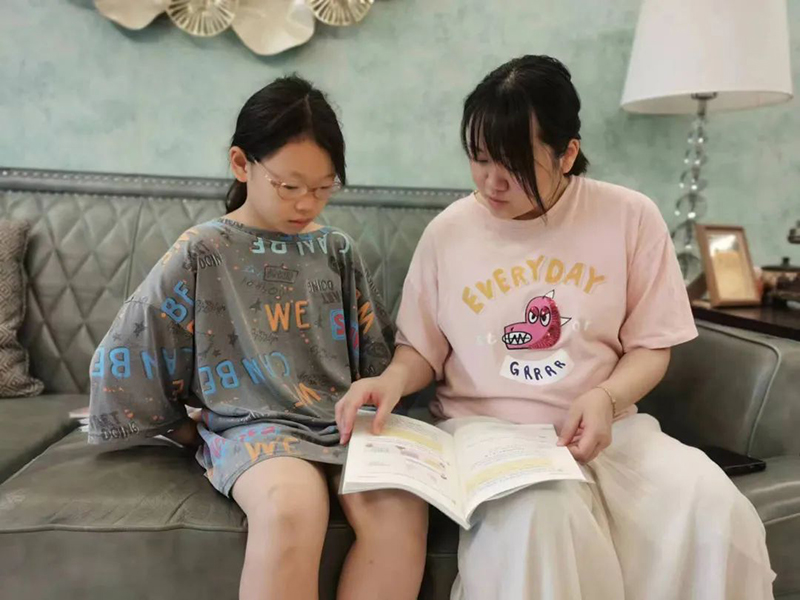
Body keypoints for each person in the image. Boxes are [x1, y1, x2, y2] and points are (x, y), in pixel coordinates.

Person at [336, 55, 774, 600]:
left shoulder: (630, 217)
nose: (491, 182)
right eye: (478, 159)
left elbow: (650, 347)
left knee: (710, 503)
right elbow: (421, 351)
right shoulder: (448, 233)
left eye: (514, 165)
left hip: (610, 430)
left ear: (567, 154)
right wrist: (391, 382)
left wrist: (606, 397)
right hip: (489, 435)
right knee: (543, 513)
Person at [88, 75, 427, 600]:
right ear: (242, 164)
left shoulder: (337, 249)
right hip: (254, 429)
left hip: (344, 423)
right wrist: (188, 431)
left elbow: (378, 360)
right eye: (290, 186)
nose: (307, 204)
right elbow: (124, 355)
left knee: (402, 511)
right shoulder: (203, 250)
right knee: (292, 508)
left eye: (323, 187)